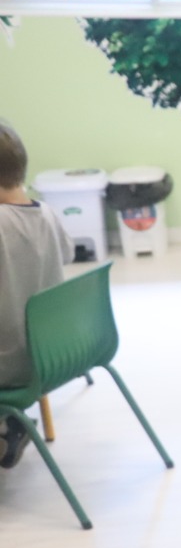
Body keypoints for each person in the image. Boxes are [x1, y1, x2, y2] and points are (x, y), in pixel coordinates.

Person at [0, 119, 73, 469]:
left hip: (8, 366)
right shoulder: (47, 213)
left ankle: (7, 425)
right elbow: (67, 254)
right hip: (49, 355)